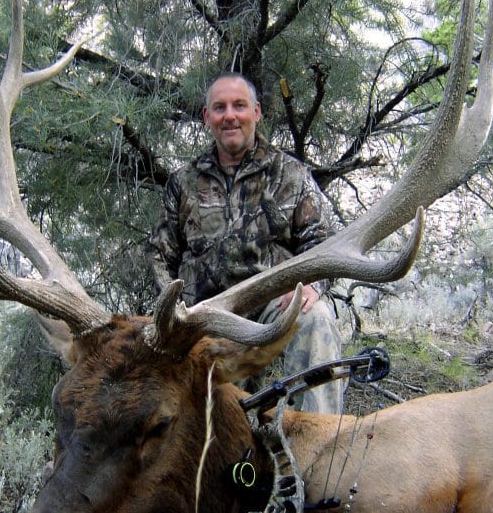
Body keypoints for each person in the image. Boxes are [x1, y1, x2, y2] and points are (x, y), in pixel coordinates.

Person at [146, 72, 344, 415]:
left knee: (317, 320)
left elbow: (322, 241)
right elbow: (160, 253)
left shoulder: (290, 174)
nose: (230, 116)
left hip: (272, 309)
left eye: (239, 106)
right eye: (219, 108)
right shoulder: (184, 181)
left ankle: (320, 447)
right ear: (207, 118)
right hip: (207, 319)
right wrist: (174, 312)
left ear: (256, 112)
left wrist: (313, 284)